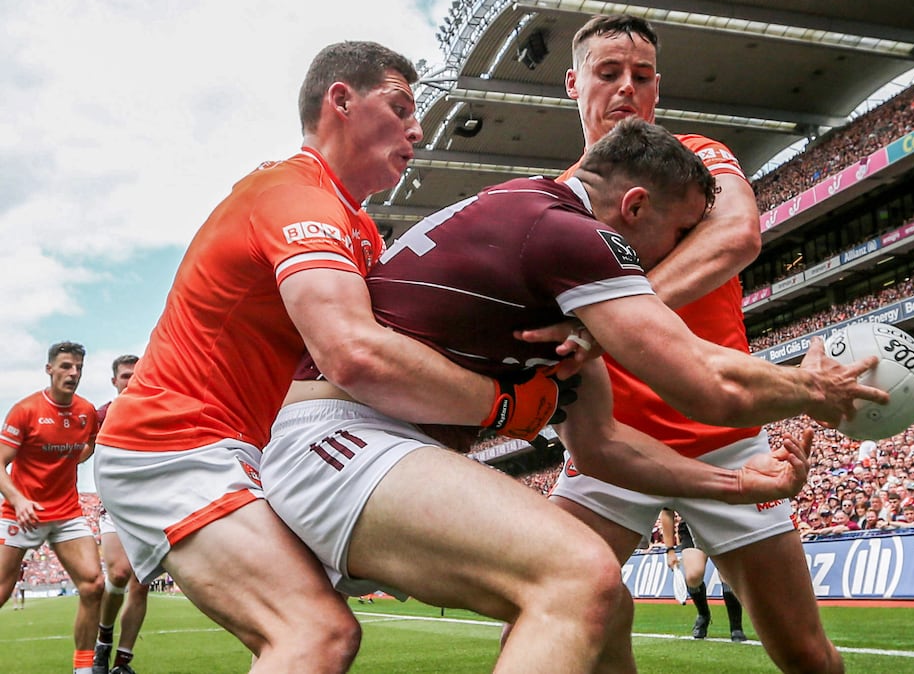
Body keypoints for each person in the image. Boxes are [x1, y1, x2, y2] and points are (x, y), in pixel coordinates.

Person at [265, 117, 886, 674]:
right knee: (579, 575)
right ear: (636, 206)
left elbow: (602, 446)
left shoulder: (539, 244)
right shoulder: (570, 235)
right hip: (343, 441)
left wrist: (737, 486)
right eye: (680, 230)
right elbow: (705, 383)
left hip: (360, 448)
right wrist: (812, 387)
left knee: (603, 600)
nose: (679, 250)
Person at [93, 41, 566, 673]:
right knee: (313, 634)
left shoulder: (359, 229)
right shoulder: (293, 195)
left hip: (243, 447)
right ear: (339, 100)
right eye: (399, 106)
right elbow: (355, 356)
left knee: (344, 626)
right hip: (174, 443)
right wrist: (505, 406)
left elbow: (396, 350)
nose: (418, 127)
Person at [543, 14, 848, 673]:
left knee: (805, 654)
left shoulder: (698, 156)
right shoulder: (555, 200)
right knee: (574, 613)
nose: (627, 87)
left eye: (642, 76)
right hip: (610, 449)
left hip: (725, 433)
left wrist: (609, 319)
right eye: (608, 73)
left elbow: (738, 234)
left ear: (658, 89)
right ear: (573, 83)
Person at [0, 341, 104, 674]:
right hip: (22, 513)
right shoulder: (25, 410)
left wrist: (72, 460)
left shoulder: (86, 412)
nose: (72, 373)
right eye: (65, 366)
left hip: (67, 513)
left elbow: (88, 445)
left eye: (78, 368)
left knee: (93, 584)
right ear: (50, 369)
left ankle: (83, 668)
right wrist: (17, 498)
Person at [93, 355, 147, 674]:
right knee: (118, 574)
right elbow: (80, 447)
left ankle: (122, 663)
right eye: (125, 375)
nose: (131, 380)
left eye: (136, 374)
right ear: (114, 381)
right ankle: (103, 638)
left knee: (141, 584)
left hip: (148, 510)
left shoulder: (157, 408)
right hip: (113, 508)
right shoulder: (103, 414)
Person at [658, 509, 747, 642]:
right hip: (691, 526)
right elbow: (667, 511)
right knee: (693, 576)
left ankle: (736, 627)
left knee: (727, 575)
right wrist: (670, 550)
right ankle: (703, 614)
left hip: (722, 525)